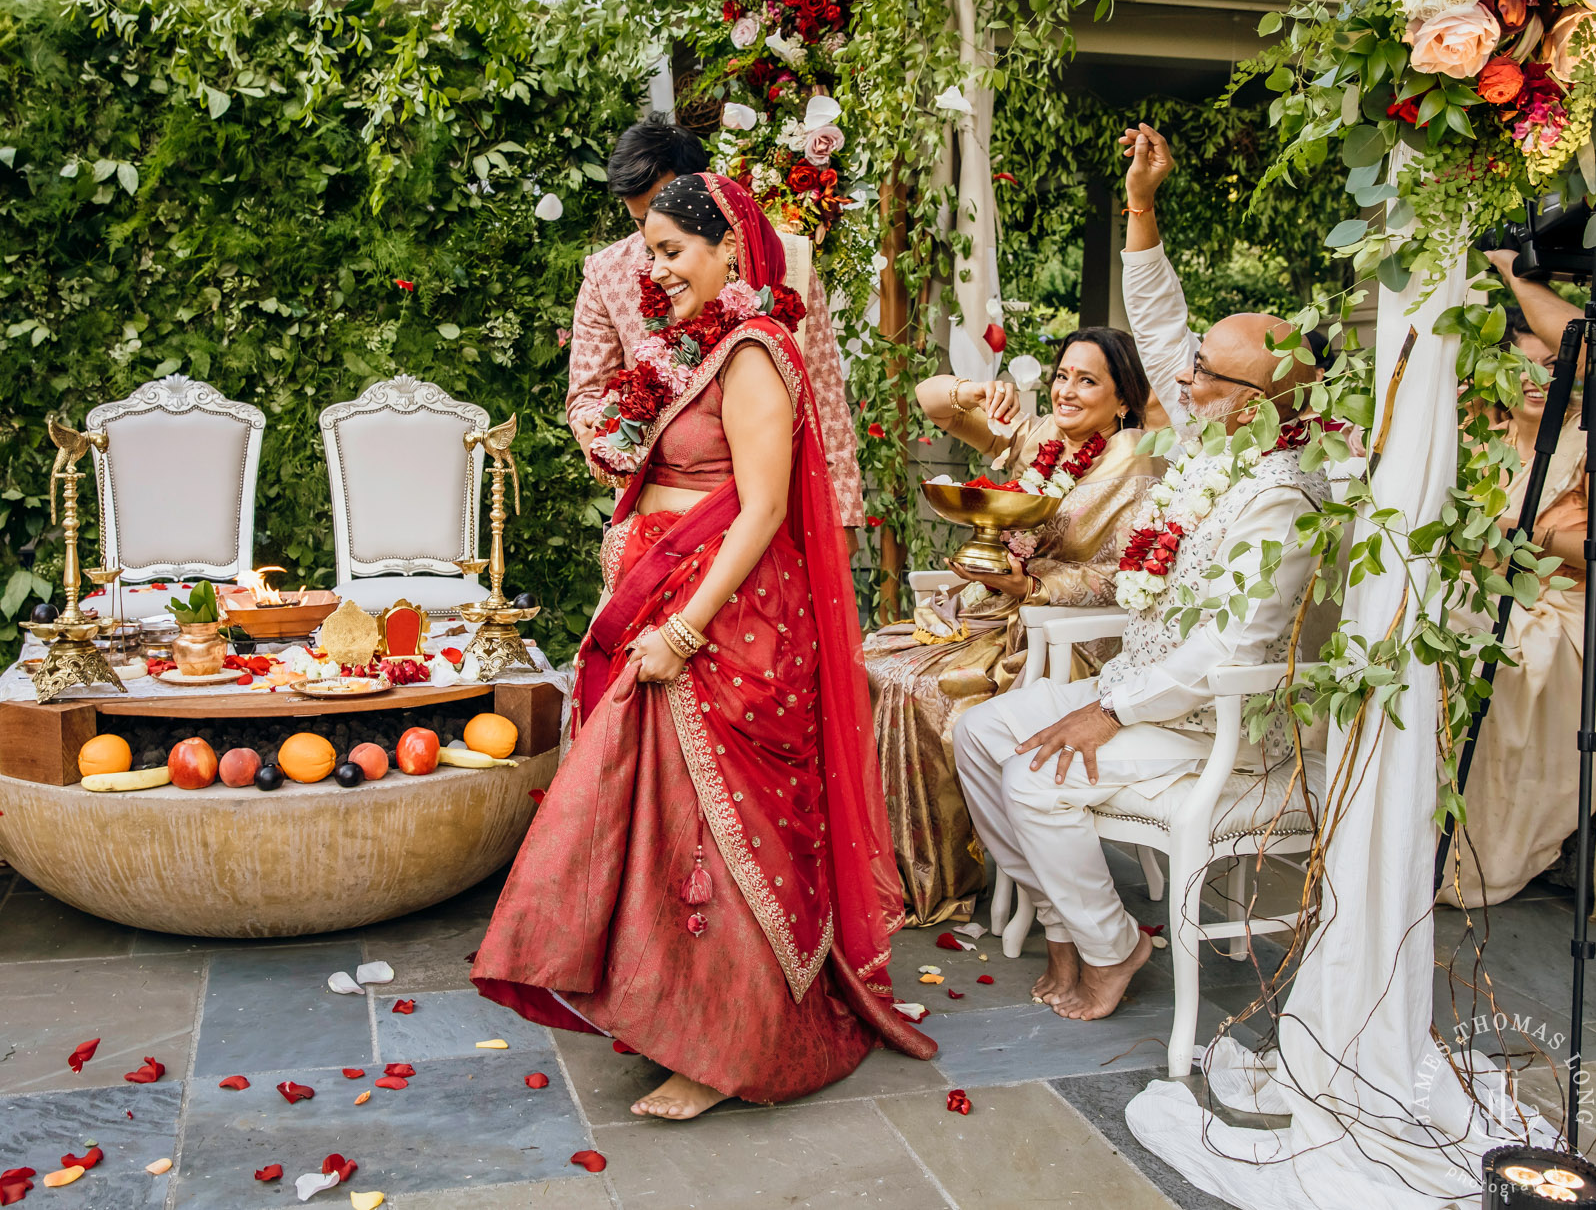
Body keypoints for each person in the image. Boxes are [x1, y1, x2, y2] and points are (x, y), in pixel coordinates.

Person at [473, 171, 935, 1119]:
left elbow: (763, 508)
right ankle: (672, 1013)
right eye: (651, 253)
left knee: (724, 835)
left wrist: (684, 630)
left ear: (732, 248)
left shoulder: (758, 354)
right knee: (661, 822)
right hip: (672, 607)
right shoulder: (704, 352)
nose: (657, 270)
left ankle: (731, 1045)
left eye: (672, 251)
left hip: (727, 626)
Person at [952, 123, 1330, 1020]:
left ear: (1258, 404)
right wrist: (1141, 204)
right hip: (1136, 682)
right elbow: (1159, 323)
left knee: (1036, 777)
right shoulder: (1213, 436)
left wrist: (1109, 709)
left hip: (1218, 724)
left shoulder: (1286, 496)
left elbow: (1234, 646)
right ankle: (1070, 922)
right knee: (980, 735)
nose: (1184, 380)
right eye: (1195, 367)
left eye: (1206, 375)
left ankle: (1115, 947)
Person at [862, 332, 1160, 925]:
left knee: (921, 686)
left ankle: (934, 873)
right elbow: (934, 404)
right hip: (988, 607)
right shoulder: (1040, 437)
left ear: (1123, 398)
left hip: (1063, 634)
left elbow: (1121, 579)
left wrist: (1032, 588)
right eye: (1062, 374)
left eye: (1087, 380)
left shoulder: (1135, 458)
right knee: (869, 660)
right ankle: (872, 861)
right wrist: (973, 389)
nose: (1066, 391)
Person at [566, 115, 867, 541]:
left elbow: (824, 395)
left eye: (664, 205)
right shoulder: (607, 273)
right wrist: (602, 434)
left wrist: (842, 515)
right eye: (639, 221)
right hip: (654, 525)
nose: (651, 231)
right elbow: (587, 394)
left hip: (771, 511)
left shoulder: (782, 261)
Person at [1438, 307, 1596, 915]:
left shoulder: (1595, 444)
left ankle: (1473, 853)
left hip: (1569, 610)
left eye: (1553, 366)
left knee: (1489, 651)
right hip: (1486, 591)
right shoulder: (1479, 437)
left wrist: (1527, 531)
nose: (1537, 379)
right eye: (1521, 365)